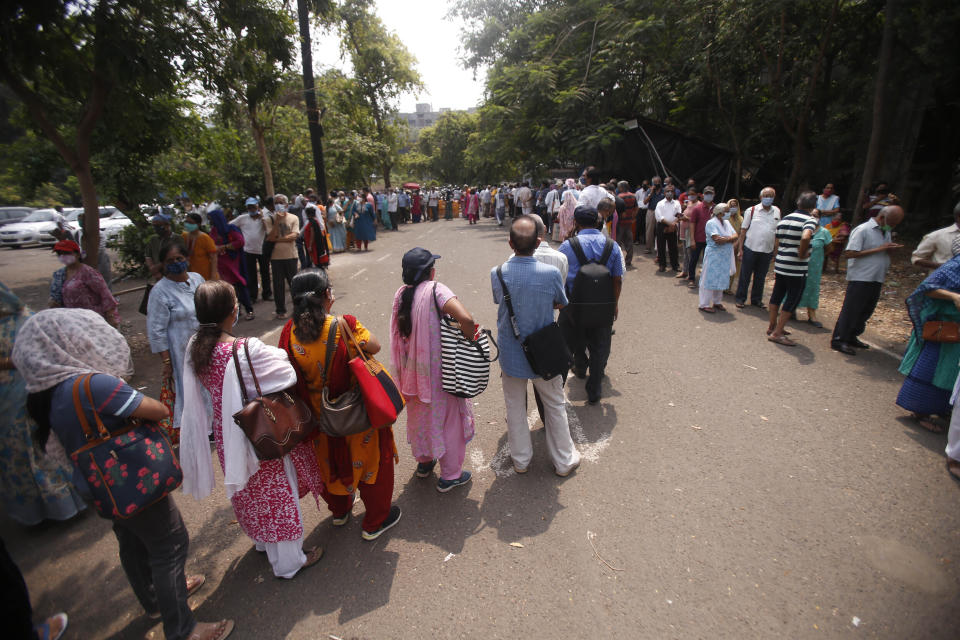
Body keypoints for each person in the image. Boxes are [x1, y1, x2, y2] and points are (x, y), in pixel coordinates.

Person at [14, 308, 232, 640]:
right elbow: (155, 410)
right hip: (132, 480)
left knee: (131, 540)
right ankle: (183, 629)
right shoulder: (92, 385)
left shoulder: (48, 396)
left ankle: (155, 599)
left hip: (102, 486)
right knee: (170, 544)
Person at [180, 281, 324, 579]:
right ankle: (289, 562)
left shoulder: (196, 345)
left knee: (250, 492)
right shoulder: (244, 348)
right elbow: (284, 373)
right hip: (256, 428)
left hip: (225, 429)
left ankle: (263, 542)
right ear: (233, 312)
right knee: (276, 493)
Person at [279, 270, 403, 539]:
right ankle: (375, 521)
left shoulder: (289, 333)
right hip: (353, 414)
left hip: (316, 419)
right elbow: (375, 345)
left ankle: (340, 511)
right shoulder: (343, 325)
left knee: (328, 465)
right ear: (326, 295)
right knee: (373, 464)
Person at [492, 217, 581, 476]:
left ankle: (521, 460)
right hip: (545, 351)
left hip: (511, 352)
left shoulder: (497, 273)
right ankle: (564, 461)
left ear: (510, 243)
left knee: (515, 406)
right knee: (554, 404)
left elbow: (500, 299)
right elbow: (561, 302)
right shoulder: (551, 273)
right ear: (539, 242)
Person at [0, 283, 86, 526]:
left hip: (30, 393)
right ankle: (35, 512)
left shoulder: (26, 320)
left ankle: (67, 501)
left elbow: (47, 349)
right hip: (5, 404)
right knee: (16, 453)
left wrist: (8, 362)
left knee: (42, 445)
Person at [390, 248, 475, 492]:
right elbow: (466, 320)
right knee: (448, 422)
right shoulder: (436, 290)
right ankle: (450, 476)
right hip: (440, 374)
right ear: (431, 271)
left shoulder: (401, 294)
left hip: (411, 373)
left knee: (420, 418)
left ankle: (425, 463)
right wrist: (473, 337)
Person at [558, 206, 625, 404]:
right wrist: (614, 304)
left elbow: (559, 277)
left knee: (567, 346)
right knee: (598, 346)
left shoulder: (567, 246)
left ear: (576, 223)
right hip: (602, 306)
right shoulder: (612, 246)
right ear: (597, 221)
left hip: (572, 305)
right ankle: (594, 389)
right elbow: (617, 279)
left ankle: (573, 373)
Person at [146, 240, 204, 441]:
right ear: (163, 264)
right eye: (170, 260)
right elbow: (156, 330)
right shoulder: (160, 291)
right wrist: (167, 361)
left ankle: (213, 426)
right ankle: (196, 431)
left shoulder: (197, 279)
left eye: (179, 259)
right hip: (181, 351)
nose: (176, 263)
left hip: (206, 345)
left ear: (187, 259)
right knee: (189, 388)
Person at [896, 255, 960, 432]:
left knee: (952, 375)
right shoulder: (956, 265)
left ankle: (942, 409)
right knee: (932, 370)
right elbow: (927, 288)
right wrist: (954, 296)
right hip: (946, 329)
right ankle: (920, 411)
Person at [830, 205, 905, 355]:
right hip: (861, 276)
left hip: (877, 276)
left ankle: (852, 336)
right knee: (852, 309)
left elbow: (884, 251)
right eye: (892, 222)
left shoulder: (886, 231)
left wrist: (890, 249)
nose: (893, 226)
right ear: (882, 217)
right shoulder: (863, 230)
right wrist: (879, 249)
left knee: (866, 309)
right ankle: (839, 339)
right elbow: (850, 253)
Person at [766, 192, 819, 346]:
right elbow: (805, 237)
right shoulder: (810, 220)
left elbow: (777, 241)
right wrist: (802, 253)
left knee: (777, 295)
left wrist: (778, 255)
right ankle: (777, 333)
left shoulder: (786, 218)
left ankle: (772, 326)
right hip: (796, 267)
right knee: (791, 299)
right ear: (813, 206)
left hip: (781, 263)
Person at [48, 239, 119, 327]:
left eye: (66, 253)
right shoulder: (59, 275)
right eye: (60, 254)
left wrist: (111, 316)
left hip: (92, 320)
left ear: (77, 254)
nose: (63, 256)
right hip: (71, 321)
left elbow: (105, 294)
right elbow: (55, 297)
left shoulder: (88, 273)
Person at [734, 187, 781, 308]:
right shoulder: (752, 210)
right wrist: (740, 249)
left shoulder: (776, 211)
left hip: (767, 250)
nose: (768, 198)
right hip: (750, 248)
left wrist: (775, 252)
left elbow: (777, 233)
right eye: (766, 195)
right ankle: (740, 298)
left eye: (771, 195)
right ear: (761, 197)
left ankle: (756, 299)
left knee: (760, 277)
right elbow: (743, 230)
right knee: (745, 275)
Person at [207, 208, 254, 321]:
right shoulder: (213, 231)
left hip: (234, 263)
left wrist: (225, 247)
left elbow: (240, 242)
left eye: (212, 219)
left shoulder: (231, 229)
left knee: (240, 286)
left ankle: (249, 310)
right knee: (228, 289)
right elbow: (211, 244)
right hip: (221, 265)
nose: (211, 222)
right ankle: (236, 311)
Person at [263, 194, 300, 320]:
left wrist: (278, 239)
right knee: (278, 285)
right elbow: (270, 237)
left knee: (294, 284)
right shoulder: (269, 219)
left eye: (281, 202)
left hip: (291, 256)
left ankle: (299, 309)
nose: (279, 204)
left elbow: (294, 236)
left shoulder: (293, 218)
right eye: (276, 202)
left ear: (286, 204)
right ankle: (280, 310)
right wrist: (277, 221)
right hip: (275, 258)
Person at [796, 209, 833, 327]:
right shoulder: (801, 229)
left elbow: (829, 249)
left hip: (814, 267)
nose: (813, 217)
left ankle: (811, 314)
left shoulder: (824, 232)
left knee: (812, 288)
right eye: (810, 215)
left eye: (815, 215)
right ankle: (791, 310)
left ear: (820, 218)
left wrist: (817, 256)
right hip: (798, 264)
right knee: (795, 286)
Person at [698, 203, 738, 313]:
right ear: (720, 212)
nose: (729, 213)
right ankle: (704, 304)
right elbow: (716, 239)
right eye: (726, 211)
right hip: (714, 255)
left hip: (724, 256)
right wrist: (730, 239)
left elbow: (736, 235)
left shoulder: (726, 222)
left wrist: (726, 239)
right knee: (708, 279)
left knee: (721, 278)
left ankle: (717, 301)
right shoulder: (711, 223)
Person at [232, 197, 271, 303]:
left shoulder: (264, 218)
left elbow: (269, 230)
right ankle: (252, 295)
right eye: (249, 207)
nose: (252, 209)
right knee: (251, 274)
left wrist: (263, 219)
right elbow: (230, 226)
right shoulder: (242, 218)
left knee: (265, 272)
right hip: (248, 250)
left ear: (257, 206)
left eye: (253, 206)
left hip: (262, 249)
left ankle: (267, 293)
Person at [911, 201, 960, 271]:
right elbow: (916, 258)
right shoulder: (937, 236)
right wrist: (944, 266)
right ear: (958, 217)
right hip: (940, 280)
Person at [181, 213, 218, 282]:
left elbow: (214, 257)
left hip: (204, 273)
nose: (187, 224)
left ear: (198, 224)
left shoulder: (205, 238)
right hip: (189, 274)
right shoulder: (184, 236)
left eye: (190, 223)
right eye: (186, 222)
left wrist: (213, 275)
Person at [654, 186, 681, 272]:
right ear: (664, 193)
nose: (669, 192)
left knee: (673, 247)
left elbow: (679, 215)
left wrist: (673, 224)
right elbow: (659, 217)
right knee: (661, 246)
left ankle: (675, 265)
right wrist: (670, 224)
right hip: (662, 225)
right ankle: (662, 265)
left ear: (674, 193)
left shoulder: (677, 203)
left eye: (671, 191)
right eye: (667, 191)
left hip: (673, 226)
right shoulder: (660, 203)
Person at [145, 212, 175, 283]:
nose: (156, 229)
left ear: (167, 225)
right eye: (154, 226)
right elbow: (148, 256)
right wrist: (153, 270)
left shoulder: (176, 239)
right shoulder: (153, 239)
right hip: (158, 277)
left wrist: (157, 267)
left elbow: (177, 257)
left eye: (158, 226)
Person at [615, 181, 637, 266]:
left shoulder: (619, 197)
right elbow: (636, 208)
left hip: (620, 223)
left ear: (621, 188)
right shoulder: (633, 196)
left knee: (618, 242)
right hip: (629, 222)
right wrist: (632, 218)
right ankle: (628, 260)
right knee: (629, 242)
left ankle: (618, 260)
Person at [302, 204, 330, 270]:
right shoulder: (315, 221)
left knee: (316, 259)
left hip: (314, 245)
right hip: (314, 244)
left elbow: (312, 234)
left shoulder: (312, 222)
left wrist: (310, 245)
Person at [726, 199, 744, 293]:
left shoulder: (741, 219)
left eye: (735, 206)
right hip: (724, 244)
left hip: (736, 245)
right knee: (724, 266)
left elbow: (742, 233)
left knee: (733, 266)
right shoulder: (725, 217)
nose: (733, 208)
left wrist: (736, 245)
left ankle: (728, 287)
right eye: (731, 205)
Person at [643, 176, 663, 253]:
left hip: (661, 212)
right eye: (655, 182)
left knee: (660, 230)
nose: (657, 184)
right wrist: (651, 193)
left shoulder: (663, 191)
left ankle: (660, 248)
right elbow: (645, 202)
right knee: (649, 230)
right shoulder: (649, 191)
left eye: (658, 182)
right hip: (651, 211)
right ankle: (648, 248)